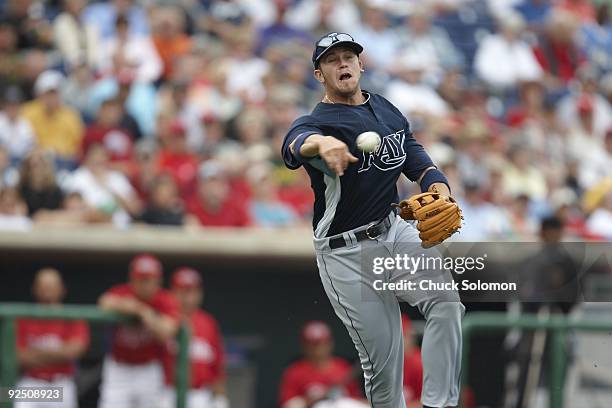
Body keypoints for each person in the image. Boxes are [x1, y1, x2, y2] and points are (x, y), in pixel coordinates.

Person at [281, 32, 464, 408]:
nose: (343, 64)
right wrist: (322, 144)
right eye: (332, 60)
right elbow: (294, 143)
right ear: (320, 75)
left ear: (361, 64)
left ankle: (439, 404)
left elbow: (412, 151)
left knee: (446, 301)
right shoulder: (319, 120)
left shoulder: (384, 107)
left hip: (393, 229)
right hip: (345, 253)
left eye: (349, 56)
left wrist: (438, 184)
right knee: (384, 369)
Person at [98, 254, 180, 408]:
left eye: (148, 280)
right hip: (119, 368)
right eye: (140, 279)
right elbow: (104, 303)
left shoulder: (165, 299)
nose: (144, 285)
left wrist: (147, 315)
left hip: (148, 369)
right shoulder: (123, 292)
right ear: (132, 279)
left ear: (158, 281)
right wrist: (138, 309)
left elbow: (167, 332)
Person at [16, 268, 90, 408]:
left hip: (61, 383)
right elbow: (18, 355)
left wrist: (36, 353)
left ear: (62, 289)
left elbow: (75, 351)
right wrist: (57, 354)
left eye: (52, 286)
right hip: (32, 383)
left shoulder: (72, 316)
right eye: (43, 286)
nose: (47, 290)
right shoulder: (22, 317)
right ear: (35, 289)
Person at [161, 267, 227, 408]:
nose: (188, 298)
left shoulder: (208, 323)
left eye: (193, 292)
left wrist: (220, 399)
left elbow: (217, 368)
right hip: (167, 393)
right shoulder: (163, 318)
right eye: (183, 292)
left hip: (200, 395)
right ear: (172, 292)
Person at [278, 321, 365, 408]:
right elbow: (288, 405)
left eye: (322, 343)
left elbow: (358, 401)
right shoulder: (295, 372)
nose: (319, 349)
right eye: (313, 344)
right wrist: (317, 397)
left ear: (330, 343)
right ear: (304, 346)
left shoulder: (343, 367)